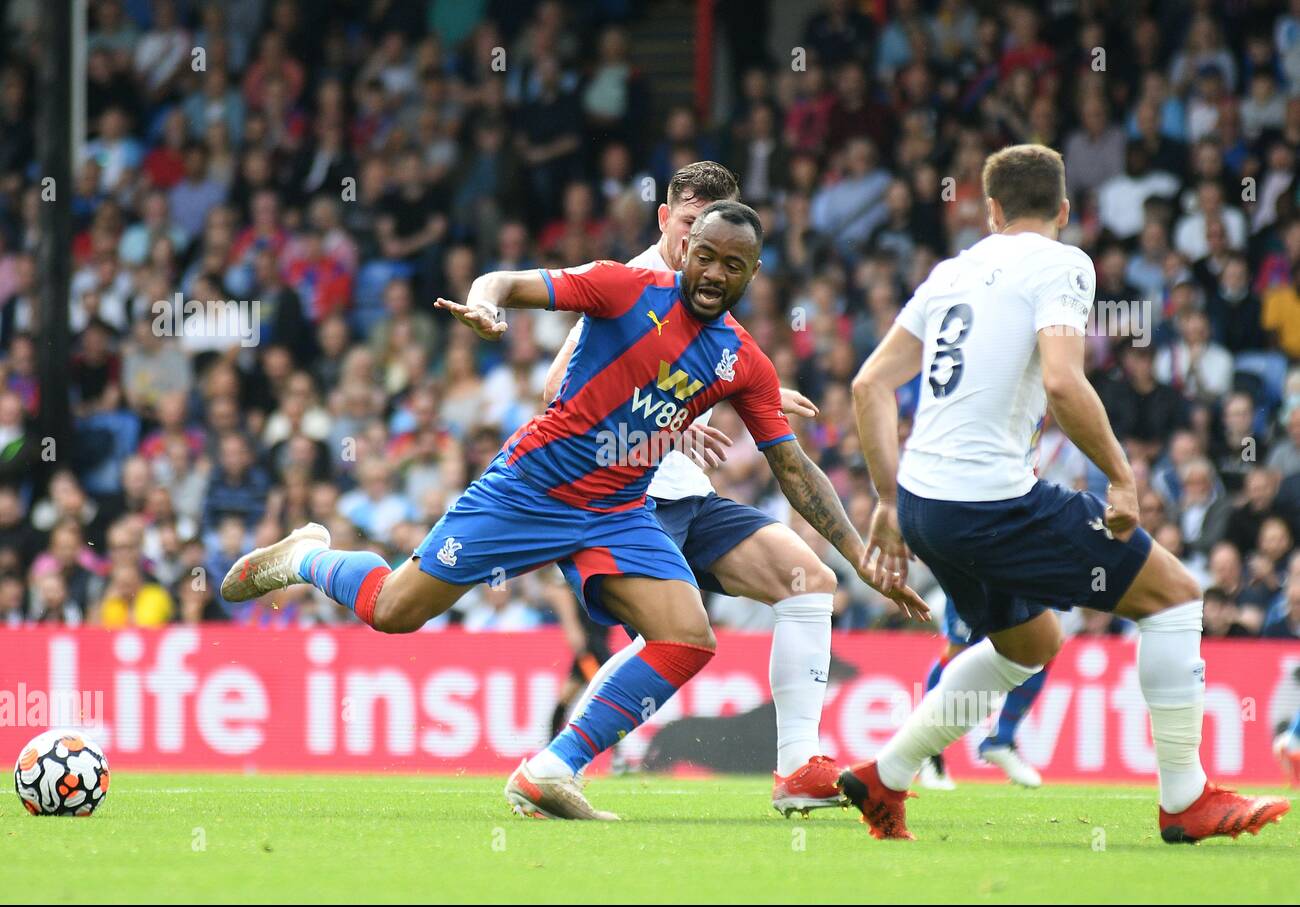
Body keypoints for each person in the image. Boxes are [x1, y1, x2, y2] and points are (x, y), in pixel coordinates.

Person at [222, 201, 929, 821]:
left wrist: (861, 555)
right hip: (527, 491)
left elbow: (794, 466)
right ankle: (306, 555)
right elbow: (508, 280)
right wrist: (488, 303)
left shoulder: (743, 360)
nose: (715, 273)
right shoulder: (625, 288)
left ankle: (550, 770)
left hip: (618, 511)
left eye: (733, 265)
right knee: (394, 609)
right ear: (684, 248)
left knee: (687, 637)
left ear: (754, 273)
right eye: (705, 255)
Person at [846, 143, 1289, 843]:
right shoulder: (1063, 263)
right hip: (989, 501)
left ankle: (885, 775)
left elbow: (868, 384)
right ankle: (1185, 798)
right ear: (1063, 209)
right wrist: (1120, 473)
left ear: (990, 210)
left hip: (926, 504)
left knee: (1029, 643)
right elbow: (1062, 379)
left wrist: (886, 499)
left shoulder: (949, 273)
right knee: (1174, 593)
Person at [531, 162, 853, 817]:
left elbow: (715, 370)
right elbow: (557, 392)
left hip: (689, 495)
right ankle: (553, 764)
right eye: (685, 227)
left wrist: (750, 398)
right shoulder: (631, 286)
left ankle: (796, 767)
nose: (696, 247)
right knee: (676, 639)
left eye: (708, 234)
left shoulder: (708, 291)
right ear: (665, 220)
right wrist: (668, 430)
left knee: (810, 582)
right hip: (632, 501)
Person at [917, 599, 1047, 790]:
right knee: (960, 650)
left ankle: (1001, 739)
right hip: (973, 573)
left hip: (1018, 573)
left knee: (1042, 643)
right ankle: (926, 750)